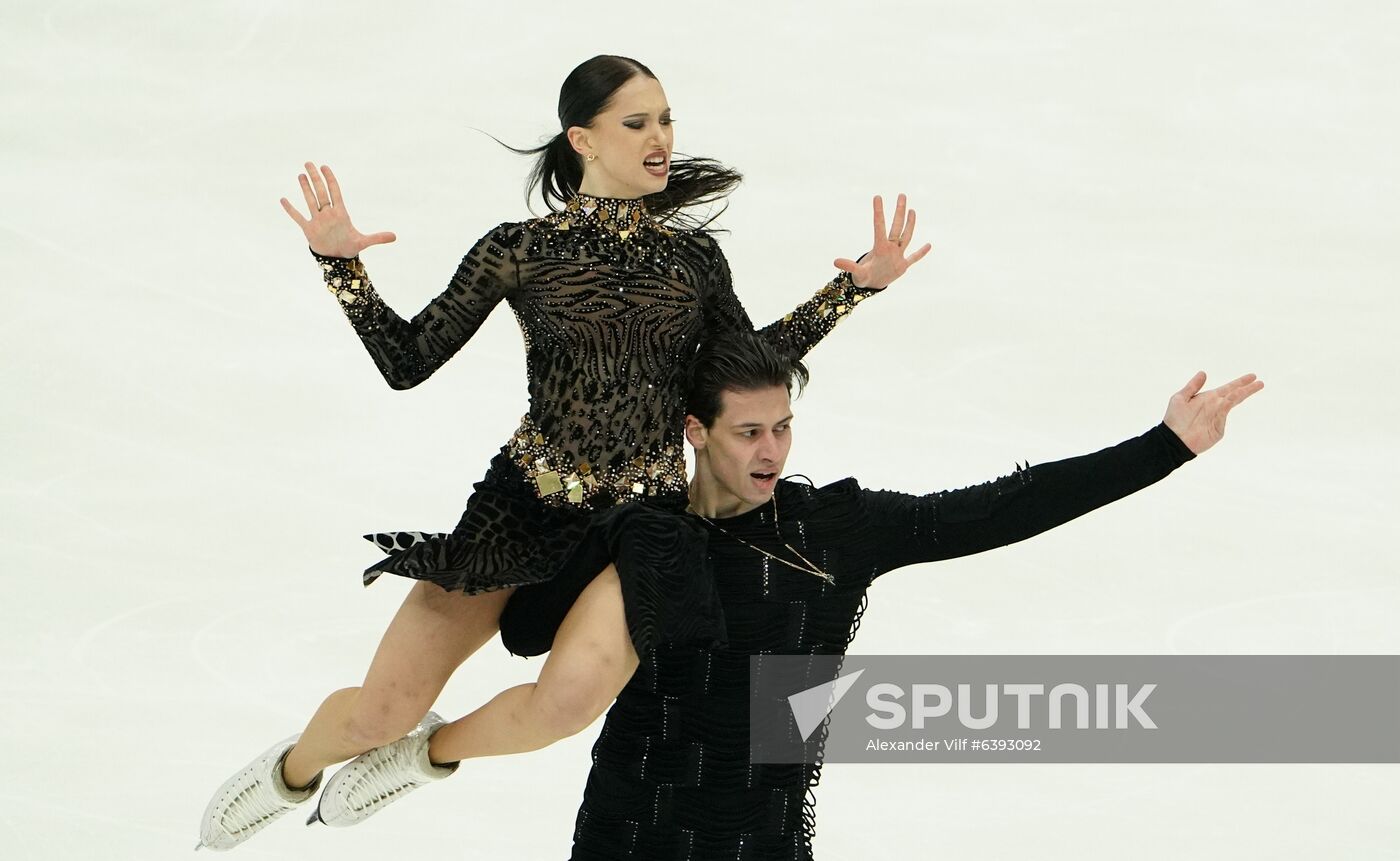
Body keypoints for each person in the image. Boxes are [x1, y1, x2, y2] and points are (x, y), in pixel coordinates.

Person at [197, 55, 931, 851]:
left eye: (666, 119)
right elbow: (407, 361)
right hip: (522, 508)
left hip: (643, 523)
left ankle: (425, 757)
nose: (661, 139)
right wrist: (342, 267)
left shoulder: (694, 262)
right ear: (582, 138)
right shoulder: (520, 249)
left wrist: (855, 288)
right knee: (381, 709)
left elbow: (746, 367)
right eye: (637, 122)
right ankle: (291, 773)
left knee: (568, 702)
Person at [483, 332, 1256, 858]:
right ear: (695, 429)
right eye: (749, 431)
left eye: (782, 427)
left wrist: (1163, 448)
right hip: (630, 830)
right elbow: (523, 627)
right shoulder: (641, 534)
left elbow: (999, 508)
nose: (773, 451)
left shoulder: (834, 532)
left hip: (766, 838)